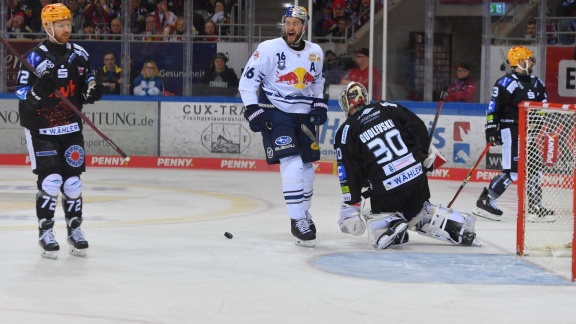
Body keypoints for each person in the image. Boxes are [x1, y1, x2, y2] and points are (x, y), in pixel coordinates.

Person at [334, 82, 479, 249]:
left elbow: (348, 171)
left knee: (378, 219)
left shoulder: (346, 131)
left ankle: (392, 224)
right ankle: (458, 225)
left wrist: (351, 204)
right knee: (417, 211)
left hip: (388, 189)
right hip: (417, 180)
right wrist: (423, 152)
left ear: (346, 103)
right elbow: (417, 126)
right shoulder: (387, 106)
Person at [14, 3, 104, 259]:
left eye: (68, 23)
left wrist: (92, 91)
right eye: (61, 24)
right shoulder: (34, 57)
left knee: (73, 183)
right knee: (51, 182)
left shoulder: (80, 54)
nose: (67, 28)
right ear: (48, 27)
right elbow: (21, 92)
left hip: (71, 126)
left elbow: (88, 82)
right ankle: (45, 233)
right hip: (41, 128)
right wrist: (37, 92)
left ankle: (75, 230)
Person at [239, 5, 327, 247]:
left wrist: (319, 104)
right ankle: (297, 219)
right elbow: (247, 83)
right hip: (276, 113)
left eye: (296, 23)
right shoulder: (269, 49)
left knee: (308, 166)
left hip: (304, 114)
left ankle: (304, 213)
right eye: (287, 23)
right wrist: (252, 109)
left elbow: (317, 82)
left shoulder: (316, 52)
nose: (290, 27)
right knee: (293, 163)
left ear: (303, 27)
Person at [473, 46, 554, 222]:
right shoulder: (505, 83)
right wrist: (491, 129)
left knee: (534, 169)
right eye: (529, 58)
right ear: (520, 61)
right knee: (513, 171)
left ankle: (534, 205)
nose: (533, 61)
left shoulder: (537, 82)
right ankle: (486, 200)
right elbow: (493, 107)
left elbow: (543, 105)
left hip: (530, 132)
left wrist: (539, 122)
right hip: (511, 129)